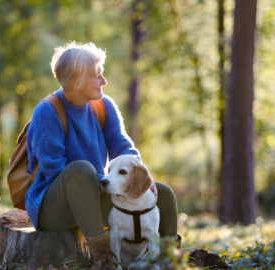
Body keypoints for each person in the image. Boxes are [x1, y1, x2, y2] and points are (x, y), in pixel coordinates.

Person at [25, 41, 179, 269]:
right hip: (55, 206)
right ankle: (104, 260)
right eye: (97, 75)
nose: (103, 81)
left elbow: (124, 149)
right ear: (77, 79)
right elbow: (53, 169)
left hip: (97, 193)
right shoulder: (48, 110)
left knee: (162, 192)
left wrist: (141, 177)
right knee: (81, 169)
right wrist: (101, 182)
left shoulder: (104, 106)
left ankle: (169, 259)